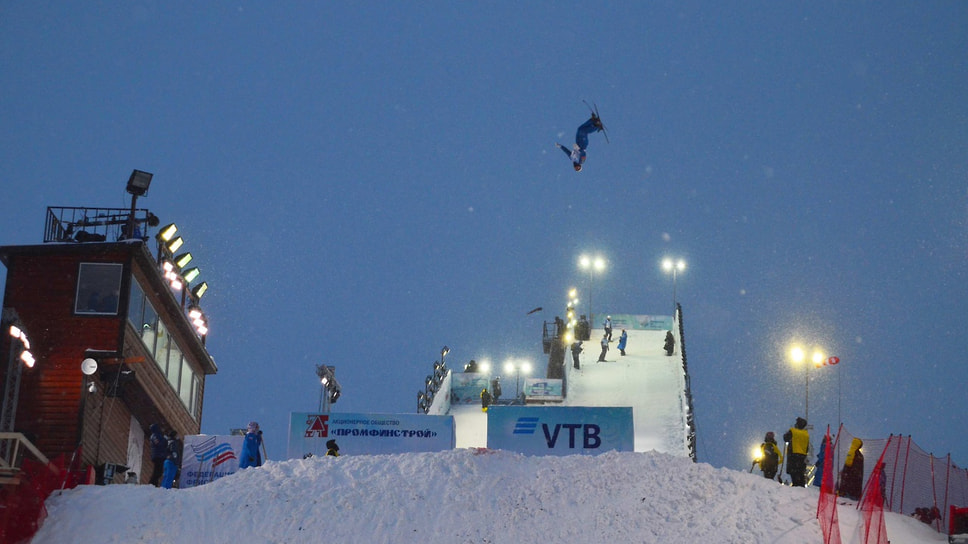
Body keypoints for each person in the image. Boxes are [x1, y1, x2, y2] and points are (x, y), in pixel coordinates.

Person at [783, 417, 810, 487]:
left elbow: (785, 438)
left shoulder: (793, 431)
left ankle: (796, 488)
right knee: (800, 474)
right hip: (802, 457)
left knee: (794, 474)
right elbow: (807, 448)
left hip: (793, 455)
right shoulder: (806, 434)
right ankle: (801, 487)